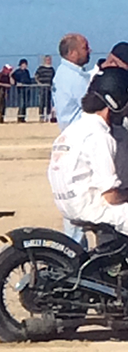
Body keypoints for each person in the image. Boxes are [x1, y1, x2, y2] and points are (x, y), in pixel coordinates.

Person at [49, 67, 128, 234]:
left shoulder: (72, 131)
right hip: (93, 208)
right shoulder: (99, 136)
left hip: (69, 205)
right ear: (116, 102)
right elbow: (111, 196)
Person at [53, 34, 94, 129]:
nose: (89, 51)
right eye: (85, 48)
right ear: (72, 53)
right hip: (81, 134)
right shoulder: (73, 77)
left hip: (69, 132)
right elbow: (92, 105)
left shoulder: (63, 72)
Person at [35, 54, 56, 123]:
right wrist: (39, 83)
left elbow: (54, 78)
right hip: (42, 87)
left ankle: (48, 116)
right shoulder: (40, 68)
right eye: (47, 60)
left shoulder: (52, 69)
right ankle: (41, 116)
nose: (49, 61)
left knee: (48, 102)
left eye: (49, 60)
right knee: (41, 102)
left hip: (49, 87)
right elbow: (36, 76)